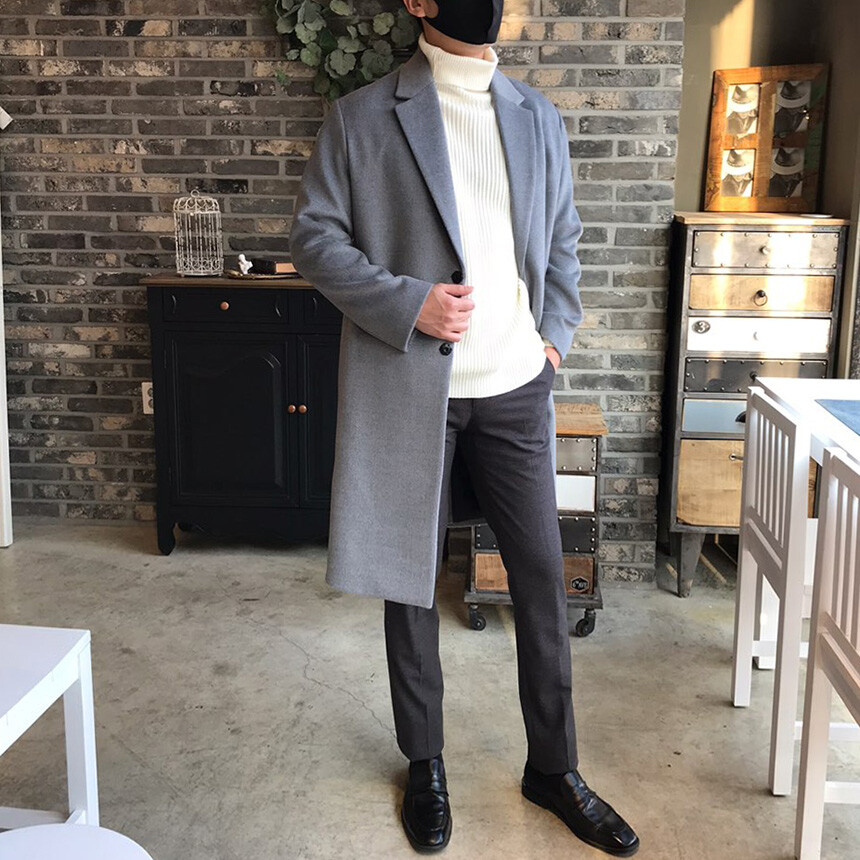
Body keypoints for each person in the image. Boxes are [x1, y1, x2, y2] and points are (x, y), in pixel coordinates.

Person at [288, 1, 639, 855]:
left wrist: (553, 339)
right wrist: (410, 303)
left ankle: (553, 768)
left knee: (542, 579)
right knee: (409, 583)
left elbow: (563, 238)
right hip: (413, 391)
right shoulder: (362, 117)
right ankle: (426, 764)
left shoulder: (536, 115)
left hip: (516, 389)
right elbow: (314, 240)